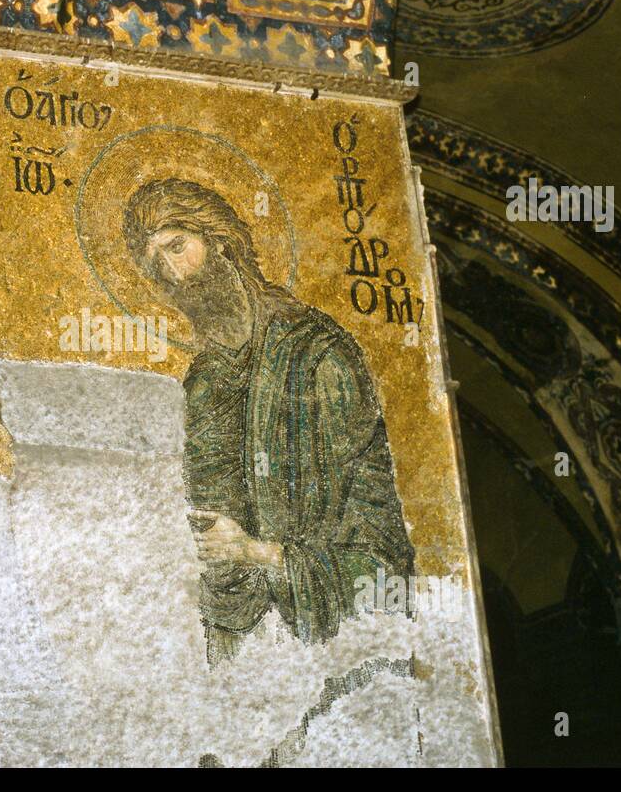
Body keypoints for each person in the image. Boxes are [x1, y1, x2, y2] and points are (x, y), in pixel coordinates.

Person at [122, 177, 414, 662]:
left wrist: (258, 554)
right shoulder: (201, 384)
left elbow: (384, 563)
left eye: (177, 247)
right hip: (233, 641)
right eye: (157, 264)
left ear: (223, 244)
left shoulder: (317, 357)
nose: (172, 274)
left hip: (326, 647)